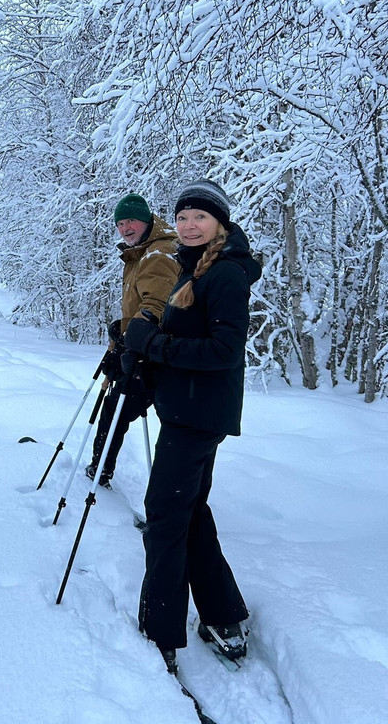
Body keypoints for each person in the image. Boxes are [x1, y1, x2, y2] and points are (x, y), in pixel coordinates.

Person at [121, 178, 262, 675]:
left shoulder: (223, 275)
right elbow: (183, 337)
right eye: (182, 218)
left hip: (197, 416)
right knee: (191, 510)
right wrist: (143, 359)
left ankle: (159, 632)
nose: (188, 225)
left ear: (219, 223)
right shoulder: (192, 270)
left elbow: (224, 351)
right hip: (189, 410)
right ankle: (223, 615)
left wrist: (155, 348)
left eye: (199, 217)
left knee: (163, 516)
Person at [85, 193, 179, 488]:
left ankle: (102, 471)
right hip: (145, 350)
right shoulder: (143, 251)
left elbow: (156, 306)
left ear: (147, 220)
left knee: (116, 412)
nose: (125, 228)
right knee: (119, 411)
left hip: (150, 356)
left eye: (132, 221)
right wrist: (122, 330)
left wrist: (130, 339)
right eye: (120, 223)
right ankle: (102, 469)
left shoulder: (157, 254)